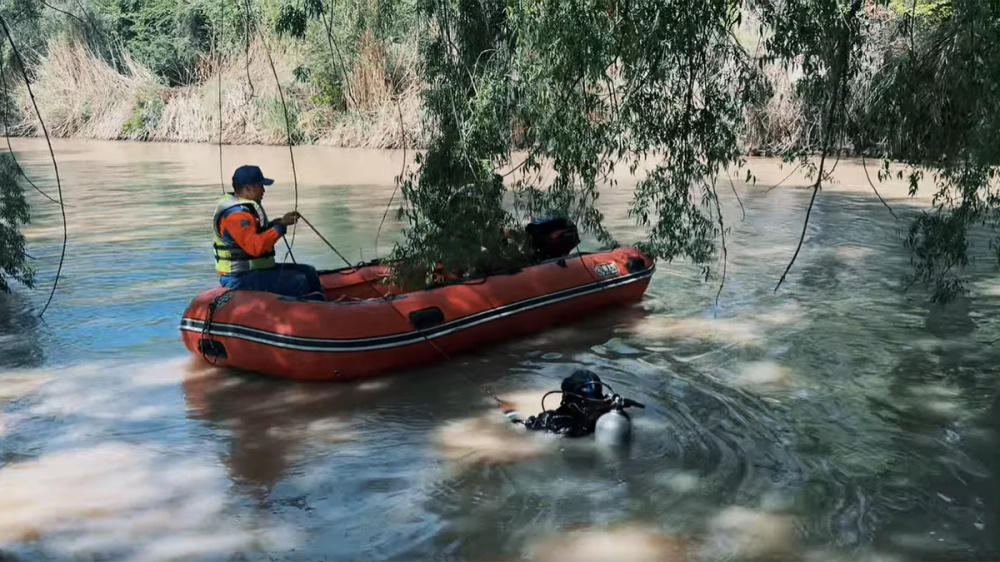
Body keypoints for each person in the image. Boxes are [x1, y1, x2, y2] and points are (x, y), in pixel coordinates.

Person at [212, 165, 325, 301]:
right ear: (248, 188)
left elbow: (255, 234)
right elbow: (255, 247)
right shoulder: (236, 215)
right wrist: (280, 227)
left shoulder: (244, 209)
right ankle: (311, 317)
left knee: (309, 272)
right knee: (298, 281)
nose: (264, 190)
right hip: (238, 277)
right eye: (260, 186)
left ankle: (323, 308)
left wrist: (278, 223)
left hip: (255, 271)